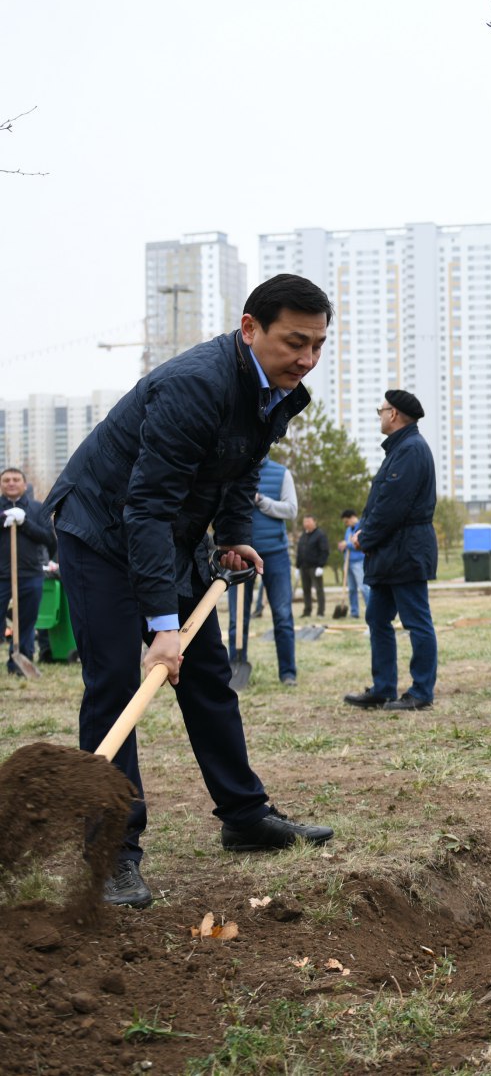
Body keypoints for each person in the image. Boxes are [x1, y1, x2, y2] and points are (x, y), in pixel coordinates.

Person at [47, 273, 337, 909]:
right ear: (249, 328)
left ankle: (245, 815)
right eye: (294, 342)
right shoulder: (195, 386)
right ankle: (113, 852)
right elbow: (143, 507)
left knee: (207, 673)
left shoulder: (277, 390)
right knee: (117, 682)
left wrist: (231, 534)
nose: (307, 359)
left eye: (317, 345)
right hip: (100, 529)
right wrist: (161, 624)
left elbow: (240, 465)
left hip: (167, 533)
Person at [343, 389, 438, 712]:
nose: (380, 415)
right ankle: (383, 688)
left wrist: (363, 536)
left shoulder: (411, 449)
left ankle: (421, 691)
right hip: (390, 551)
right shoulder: (400, 449)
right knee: (378, 617)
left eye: (381, 410)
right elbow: (382, 500)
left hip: (406, 549)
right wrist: (366, 532)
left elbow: (392, 506)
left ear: (393, 414)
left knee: (415, 620)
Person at [1, 468, 56, 673]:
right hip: (1, 575)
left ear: (24, 485)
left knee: (27, 620)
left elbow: (49, 539)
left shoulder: (37, 509)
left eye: (16, 479)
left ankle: (19, 663)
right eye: (6, 480)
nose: (11, 483)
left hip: (30, 574)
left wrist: (25, 524)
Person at [249, 457, 298, 684]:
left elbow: (291, 510)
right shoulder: (234, 469)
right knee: (236, 619)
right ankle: (233, 669)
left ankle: (287, 673)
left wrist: (262, 501)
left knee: (283, 615)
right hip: (241, 554)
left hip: (275, 553)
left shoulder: (281, 473)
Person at [295, 513, 330, 617]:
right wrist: (297, 566)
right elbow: (299, 551)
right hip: (304, 567)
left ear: (314, 522)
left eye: (309, 521)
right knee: (306, 590)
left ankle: (320, 612)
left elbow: (325, 551)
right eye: (305, 521)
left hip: (315, 567)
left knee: (319, 590)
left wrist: (321, 565)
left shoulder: (320, 535)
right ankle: (307, 611)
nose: (306, 523)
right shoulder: (303, 536)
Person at [338, 509, 369, 617]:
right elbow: (348, 543)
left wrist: (347, 545)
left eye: (346, 521)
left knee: (364, 587)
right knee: (352, 589)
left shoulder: (361, 527)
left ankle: (370, 609)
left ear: (352, 518)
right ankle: (354, 612)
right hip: (349, 562)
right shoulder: (348, 530)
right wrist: (343, 546)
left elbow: (360, 543)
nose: (346, 524)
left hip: (359, 562)